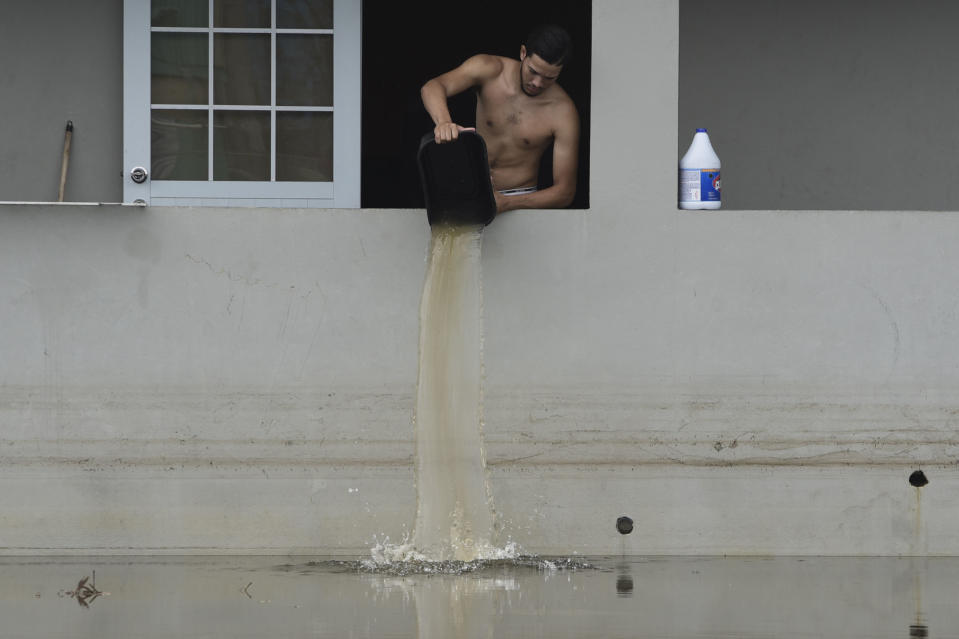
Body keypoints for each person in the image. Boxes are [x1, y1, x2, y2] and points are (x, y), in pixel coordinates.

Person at [420, 24, 579, 214]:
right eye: (533, 71)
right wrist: (444, 122)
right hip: (471, 189)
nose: (537, 83)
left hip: (519, 199)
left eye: (549, 78)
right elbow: (432, 87)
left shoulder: (563, 112)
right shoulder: (489, 69)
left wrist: (508, 203)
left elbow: (565, 192)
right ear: (522, 53)